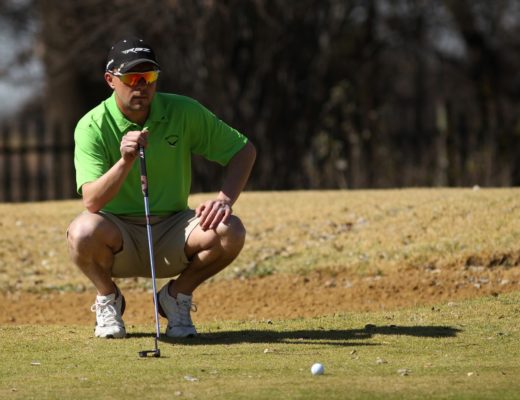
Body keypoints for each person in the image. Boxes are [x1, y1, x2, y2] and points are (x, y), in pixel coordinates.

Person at [66, 37, 256, 339]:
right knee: (82, 232)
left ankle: (176, 296)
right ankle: (108, 298)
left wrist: (224, 200)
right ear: (110, 80)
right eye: (132, 78)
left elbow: (243, 151)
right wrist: (125, 161)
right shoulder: (92, 125)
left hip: (173, 228)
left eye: (149, 76)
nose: (142, 85)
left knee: (230, 230)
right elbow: (92, 201)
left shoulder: (184, 111)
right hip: (118, 233)